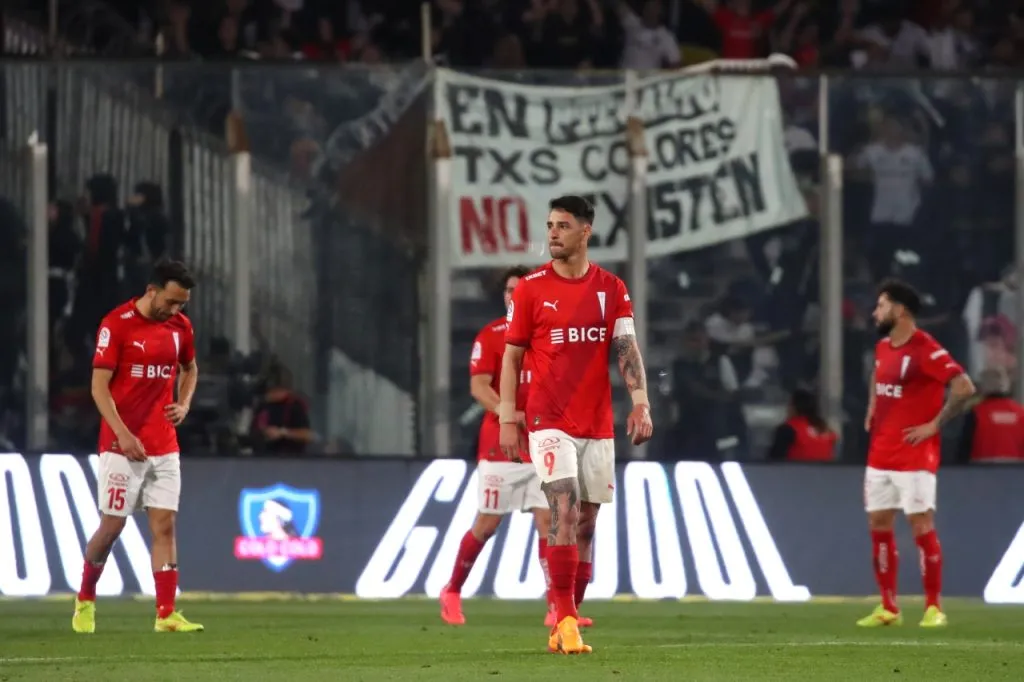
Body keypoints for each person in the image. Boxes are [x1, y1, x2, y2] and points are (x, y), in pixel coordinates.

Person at [499, 196, 653, 654]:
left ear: (586, 230)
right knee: (562, 507)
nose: (552, 234)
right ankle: (565, 619)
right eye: (549, 225)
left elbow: (626, 349)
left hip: (596, 424)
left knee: (586, 524)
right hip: (549, 421)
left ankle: (565, 617)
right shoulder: (529, 289)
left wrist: (641, 403)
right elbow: (511, 359)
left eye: (562, 226)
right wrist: (510, 417)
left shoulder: (611, 288)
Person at [440, 267, 592, 627]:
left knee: (547, 520)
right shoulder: (491, 335)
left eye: (519, 290)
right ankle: (452, 590)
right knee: (487, 523)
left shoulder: (551, 336)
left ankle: (556, 606)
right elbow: (479, 387)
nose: (512, 296)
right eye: (508, 290)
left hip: (542, 443)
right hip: (501, 445)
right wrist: (510, 414)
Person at [72, 260, 204, 634]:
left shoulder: (180, 327)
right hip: (120, 444)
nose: (175, 310)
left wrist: (185, 402)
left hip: (163, 443)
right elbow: (99, 387)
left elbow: (190, 368)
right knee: (112, 526)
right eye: (172, 301)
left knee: (165, 526)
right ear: (152, 290)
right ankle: (85, 599)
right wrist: (123, 434)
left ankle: (166, 614)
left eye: (182, 304)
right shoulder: (117, 324)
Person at [858, 279, 975, 628]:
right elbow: (878, 376)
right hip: (880, 454)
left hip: (915, 454)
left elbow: (964, 386)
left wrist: (935, 424)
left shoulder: (926, 348)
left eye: (881, 305)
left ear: (900, 310)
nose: (875, 312)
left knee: (920, 525)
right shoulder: (882, 348)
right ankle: (888, 608)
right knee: (878, 526)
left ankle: (934, 608)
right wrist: (871, 406)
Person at [956, 368, 1024, 463]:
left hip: (982, 470)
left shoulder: (976, 413)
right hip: (1017, 471)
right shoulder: (1021, 412)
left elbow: (964, 448)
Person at [766, 388, 837, 462]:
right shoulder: (827, 431)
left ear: (795, 407)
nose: (787, 409)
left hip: (796, 472)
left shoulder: (788, 429)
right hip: (826, 473)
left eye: (789, 405)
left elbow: (773, 462)